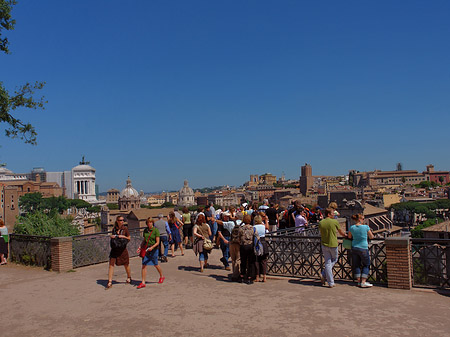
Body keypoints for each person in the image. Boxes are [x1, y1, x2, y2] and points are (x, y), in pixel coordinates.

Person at [318, 208, 346, 288]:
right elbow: (341, 232)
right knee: (334, 260)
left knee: (327, 262)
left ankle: (326, 277)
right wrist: (345, 236)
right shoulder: (334, 222)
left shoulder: (321, 222)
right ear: (329, 214)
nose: (334, 214)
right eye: (333, 213)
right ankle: (327, 278)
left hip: (324, 244)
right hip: (333, 244)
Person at [136, 218, 165, 289]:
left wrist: (152, 247)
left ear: (152, 223)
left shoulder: (156, 231)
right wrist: (140, 247)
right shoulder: (145, 230)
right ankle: (143, 282)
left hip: (154, 249)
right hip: (146, 249)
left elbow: (158, 242)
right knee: (144, 265)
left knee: (155, 264)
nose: (149, 223)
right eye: (148, 222)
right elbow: (144, 240)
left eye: (150, 222)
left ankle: (161, 276)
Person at [348, 213, 374, 288]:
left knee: (356, 265)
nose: (363, 220)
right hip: (363, 247)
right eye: (363, 219)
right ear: (359, 219)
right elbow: (371, 236)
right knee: (366, 264)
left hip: (354, 247)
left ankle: (359, 282)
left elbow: (349, 236)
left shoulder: (352, 227)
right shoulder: (366, 227)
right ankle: (363, 281)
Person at [106, 216, 132, 290]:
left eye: (123, 220)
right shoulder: (114, 229)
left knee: (126, 264)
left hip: (122, 249)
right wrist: (112, 236)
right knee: (111, 264)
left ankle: (129, 277)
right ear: (117, 221)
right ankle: (110, 281)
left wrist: (123, 236)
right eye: (120, 220)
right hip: (115, 249)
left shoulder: (125, 229)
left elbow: (129, 238)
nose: (122, 221)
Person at [239, 214, 256, 284]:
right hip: (250, 246)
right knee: (250, 262)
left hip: (243, 246)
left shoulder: (241, 228)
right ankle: (249, 278)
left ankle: (242, 276)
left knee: (243, 261)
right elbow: (257, 237)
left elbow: (238, 236)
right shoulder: (253, 228)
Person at [253, 215, 269, 282]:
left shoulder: (254, 227)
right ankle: (264, 276)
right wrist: (266, 220)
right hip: (263, 242)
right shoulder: (263, 226)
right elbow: (267, 227)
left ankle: (257, 276)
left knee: (256, 260)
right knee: (264, 261)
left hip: (256, 243)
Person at [229, 212, 243, 281]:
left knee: (233, 259)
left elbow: (223, 224)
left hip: (232, 242)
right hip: (239, 243)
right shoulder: (243, 224)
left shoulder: (232, 223)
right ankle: (236, 274)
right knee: (238, 259)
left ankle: (234, 272)